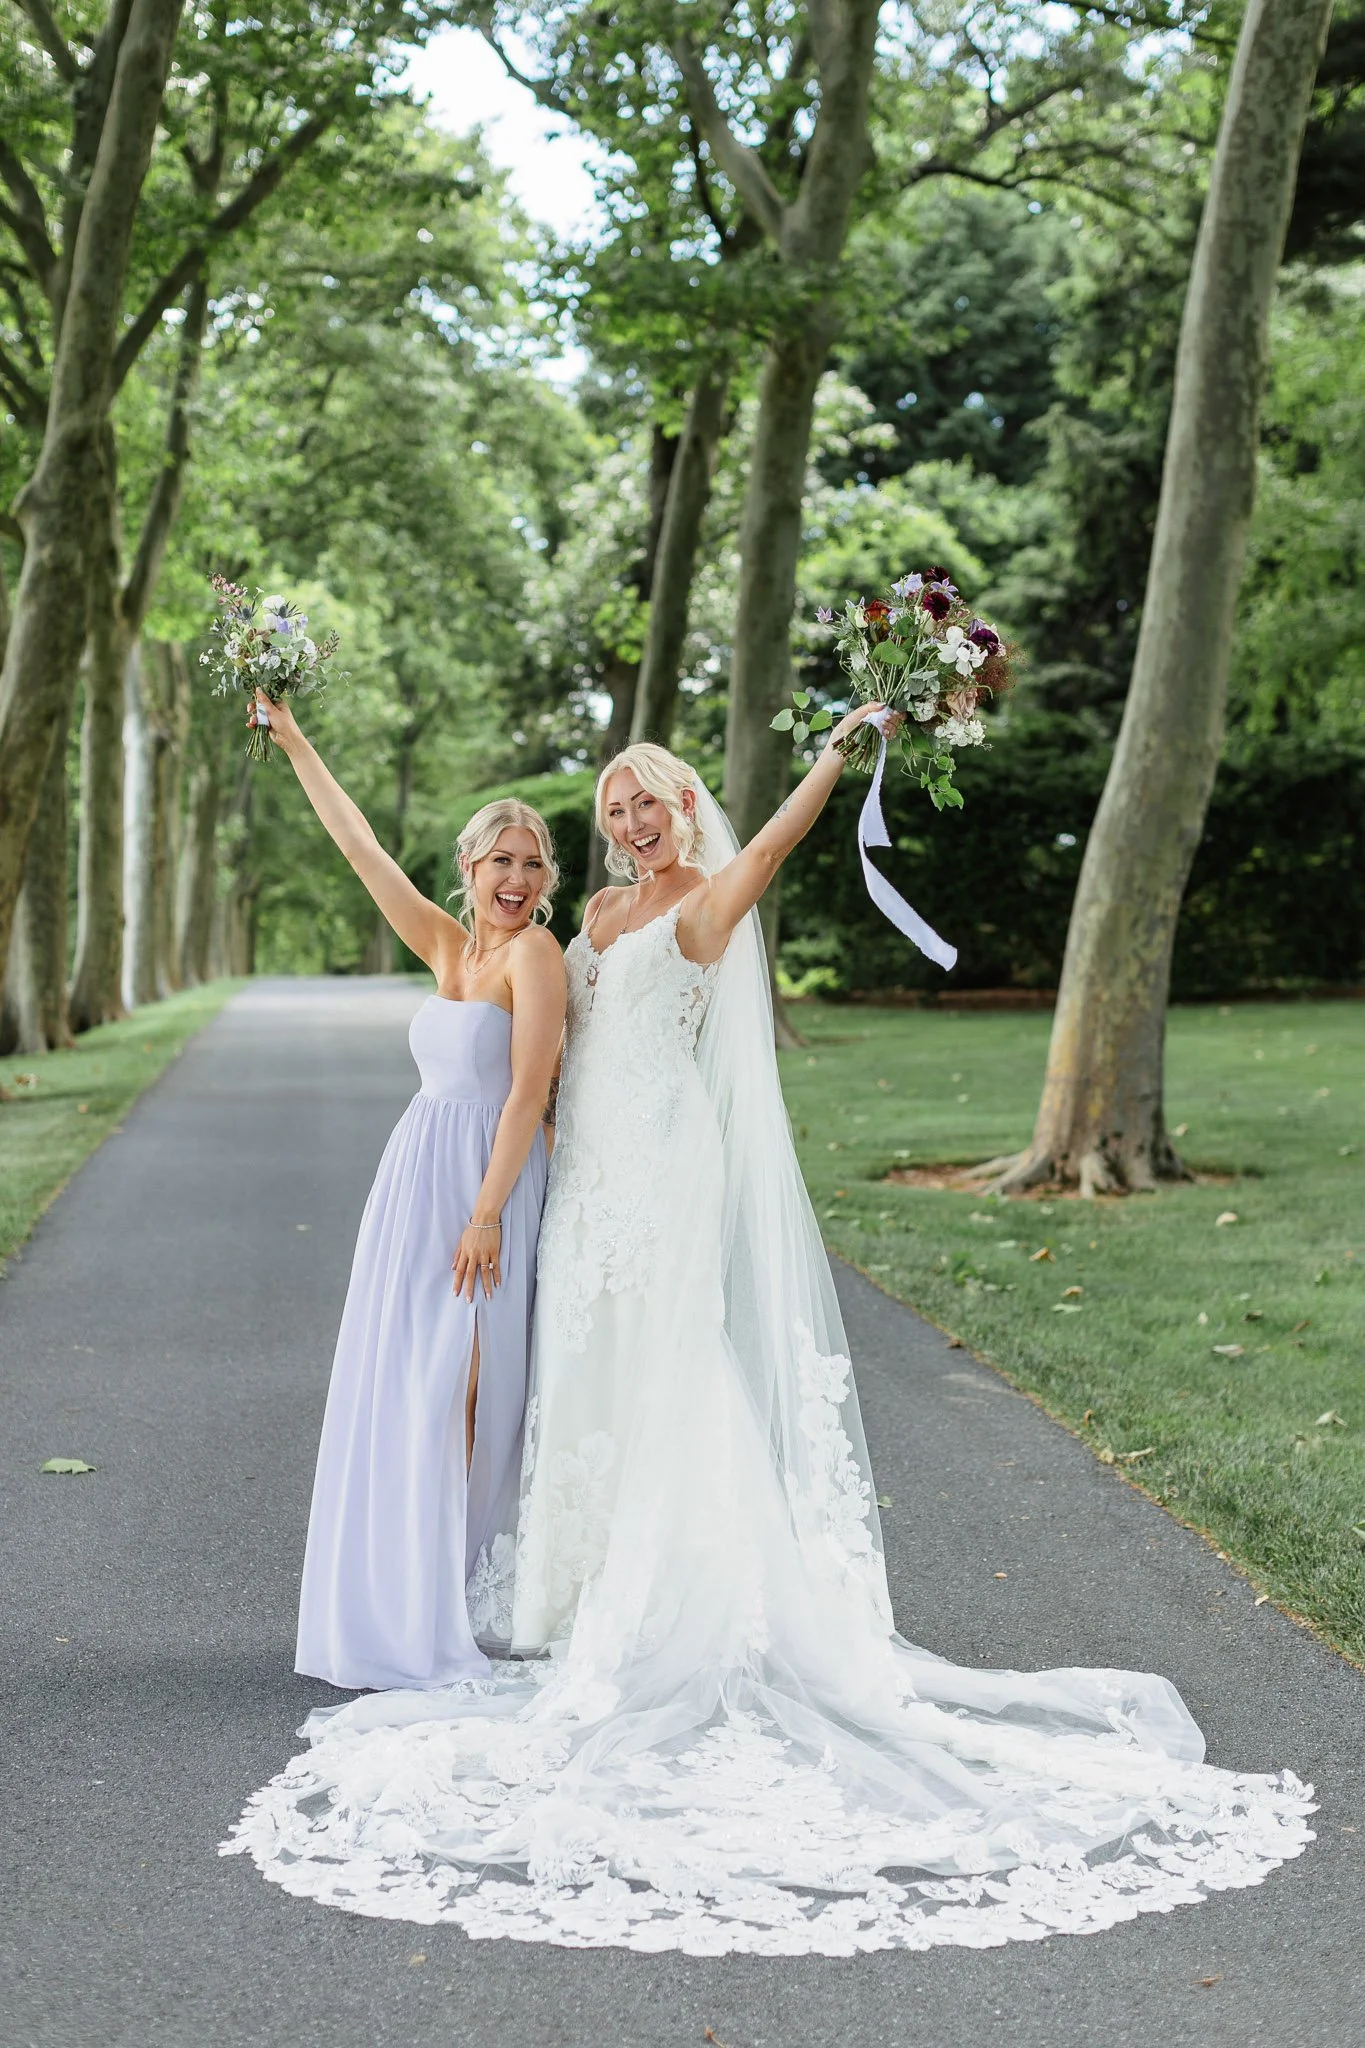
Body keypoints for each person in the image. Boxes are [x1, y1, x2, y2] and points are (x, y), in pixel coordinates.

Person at [226, 704, 1312, 1952]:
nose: (630, 822)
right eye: (613, 808)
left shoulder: (695, 905)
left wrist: (840, 752)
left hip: (661, 1164)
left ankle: (679, 1603)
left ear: (686, 803)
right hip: (583, 1182)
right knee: (587, 1375)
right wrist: (302, 735)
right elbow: (486, 990)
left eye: (649, 800)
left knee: (670, 1371)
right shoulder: (588, 920)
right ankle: (576, 1600)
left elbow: (770, 856)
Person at [252, 691, 566, 1690]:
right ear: (469, 868)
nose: (515, 879)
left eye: (532, 863)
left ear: (545, 880)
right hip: (414, 1175)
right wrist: (295, 734)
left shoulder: (536, 957)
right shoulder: (445, 944)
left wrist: (486, 1212)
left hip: (489, 1184)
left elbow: (526, 1092)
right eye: (500, 859)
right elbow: (357, 845)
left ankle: (467, 1595)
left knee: (468, 1385)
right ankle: (403, 1596)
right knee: (408, 1388)